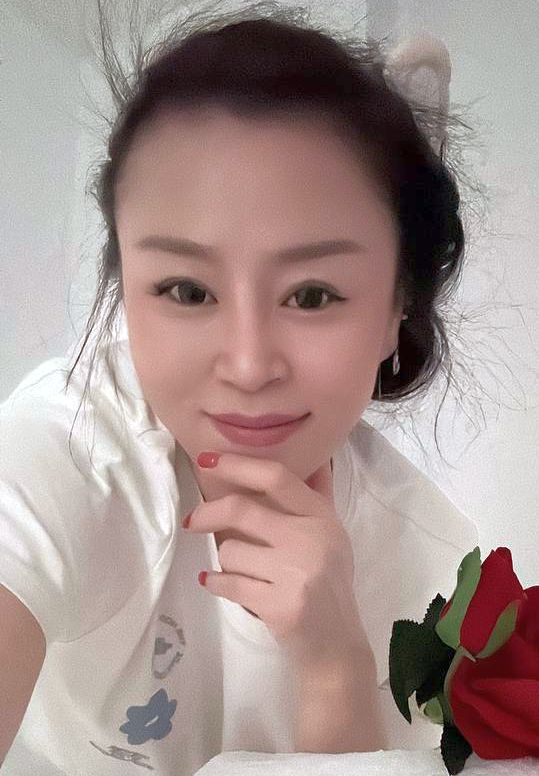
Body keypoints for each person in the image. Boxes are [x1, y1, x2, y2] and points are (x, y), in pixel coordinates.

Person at [0, 2, 481, 773]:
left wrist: (335, 666)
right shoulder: (69, 444)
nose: (249, 366)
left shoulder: (435, 570)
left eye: (312, 295)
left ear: (397, 309)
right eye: (187, 291)